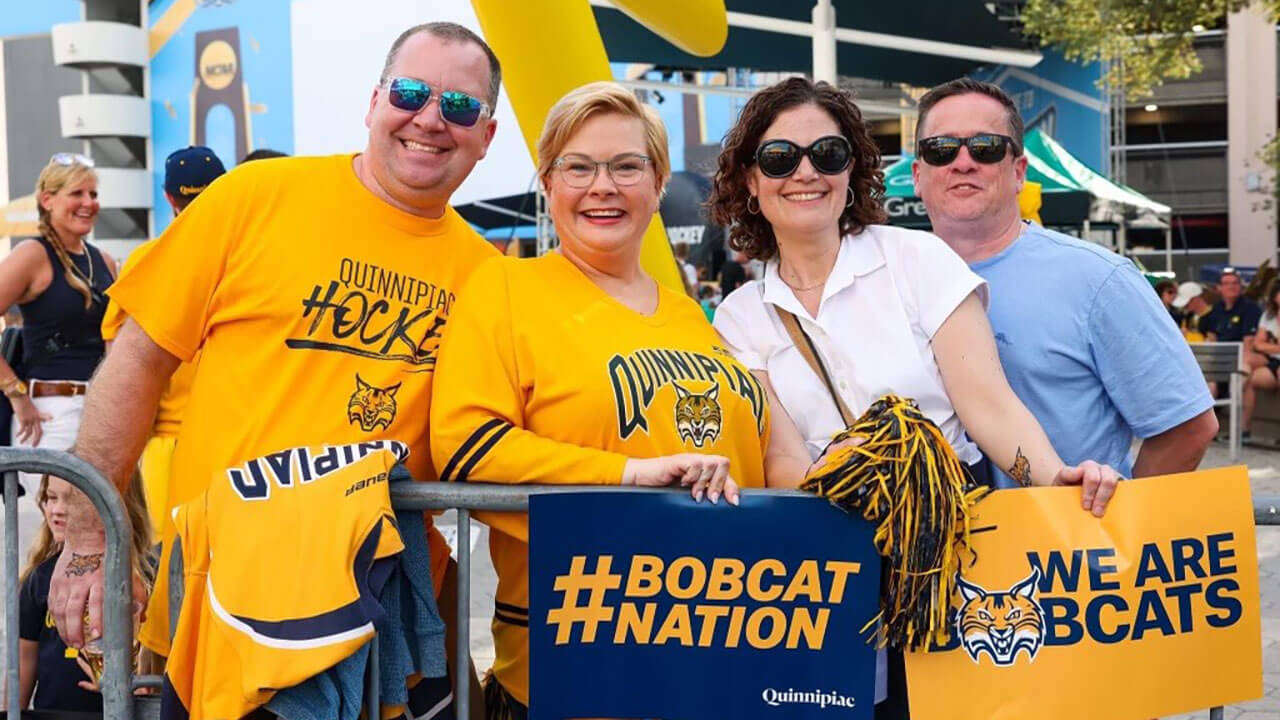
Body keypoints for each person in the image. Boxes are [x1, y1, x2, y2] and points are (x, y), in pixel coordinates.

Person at [49, 21, 502, 718]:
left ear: (487, 135)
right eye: (411, 93)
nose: (431, 119)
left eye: (461, 107)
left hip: (386, 617)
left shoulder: (489, 277)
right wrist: (87, 540)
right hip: (223, 608)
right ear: (375, 101)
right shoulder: (255, 197)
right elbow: (137, 358)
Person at [705, 76, 1120, 720]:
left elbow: (988, 405)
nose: (806, 173)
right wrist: (861, 480)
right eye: (780, 158)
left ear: (852, 171)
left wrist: (1053, 476)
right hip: (831, 555)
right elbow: (783, 459)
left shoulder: (917, 258)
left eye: (828, 154)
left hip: (954, 544)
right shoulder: (738, 316)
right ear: (750, 181)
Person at [430, 81, 812, 720]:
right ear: (549, 184)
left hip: (725, 661)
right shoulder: (505, 289)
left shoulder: (694, 317)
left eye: (626, 166)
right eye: (578, 167)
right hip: (579, 668)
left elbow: (762, 459)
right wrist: (631, 476)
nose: (602, 186)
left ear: (657, 183)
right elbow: (466, 449)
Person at [910, 77, 1217, 484]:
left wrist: (1112, 515)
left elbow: (1188, 427)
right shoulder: (886, 278)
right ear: (918, 175)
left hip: (1056, 524)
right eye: (941, 149)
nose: (963, 162)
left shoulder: (1099, 278)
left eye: (986, 147)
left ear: (1019, 171)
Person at [100, 146, 226, 535]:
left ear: (169, 197)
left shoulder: (146, 259)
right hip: (235, 438)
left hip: (166, 444)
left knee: (166, 557)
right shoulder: (249, 257)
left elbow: (119, 361)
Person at [0, 155, 116, 473]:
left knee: (107, 506)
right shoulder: (32, 255)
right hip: (51, 414)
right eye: (77, 193)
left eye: (93, 194)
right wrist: (16, 394)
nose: (88, 203)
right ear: (47, 200)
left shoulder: (104, 261)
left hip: (101, 411)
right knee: (53, 506)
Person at [10, 473, 151, 712]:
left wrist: (126, 686)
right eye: (51, 497)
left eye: (74, 501)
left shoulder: (148, 578)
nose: (57, 510)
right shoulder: (39, 578)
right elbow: (23, 663)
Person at [1243, 281, 1280, 436]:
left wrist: (1269, 345)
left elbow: (1263, 344)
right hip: (1273, 360)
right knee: (1251, 379)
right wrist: (1275, 347)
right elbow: (1258, 344)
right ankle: (1244, 429)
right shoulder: (1268, 316)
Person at [1202, 267, 1262, 345]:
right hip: (1220, 350)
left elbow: (1249, 341)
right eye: (1226, 284)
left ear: (1241, 286)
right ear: (1219, 288)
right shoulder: (1216, 308)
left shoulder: (1250, 308)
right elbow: (1212, 335)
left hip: (1241, 350)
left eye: (1235, 283)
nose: (1231, 287)